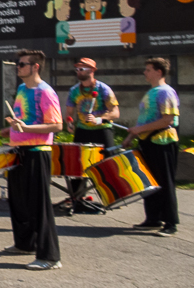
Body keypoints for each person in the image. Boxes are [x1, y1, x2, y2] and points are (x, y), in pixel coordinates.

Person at [1, 49, 63, 270]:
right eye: (17, 64)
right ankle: (25, 243)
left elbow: (57, 125)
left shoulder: (45, 92)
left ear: (35, 66)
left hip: (38, 151)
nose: (18, 67)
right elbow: (23, 119)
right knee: (18, 200)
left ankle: (50, 256)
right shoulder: (21, 89)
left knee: (39, 204)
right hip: (19, 150)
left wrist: (26, 128)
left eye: (22, 64)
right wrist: (11, 128)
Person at [123, 57, 180, 236]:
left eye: (148, 69)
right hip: (147, 141)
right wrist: (131, 135)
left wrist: (139, 130)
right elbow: (145, 119)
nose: (145, 72)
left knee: (164, 182)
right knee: (150, 182)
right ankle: (153, 218)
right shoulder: (152, 92)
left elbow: (167, 120)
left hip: (162, 142)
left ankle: (170, 223)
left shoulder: (165, 92)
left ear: (159, 72)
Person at [63, 57, 119, 213]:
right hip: (83, 130)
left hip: (102, 130)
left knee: (108, 163)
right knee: (77, 165)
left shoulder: (103, 89)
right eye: (77, 69)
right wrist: (69, 123)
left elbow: (115, 112)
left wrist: (99, 119)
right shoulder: (74, 90)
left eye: (82, 69)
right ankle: (77, 197)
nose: (78, 72)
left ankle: (113, 196)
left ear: (92, 71)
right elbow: (69, 113)